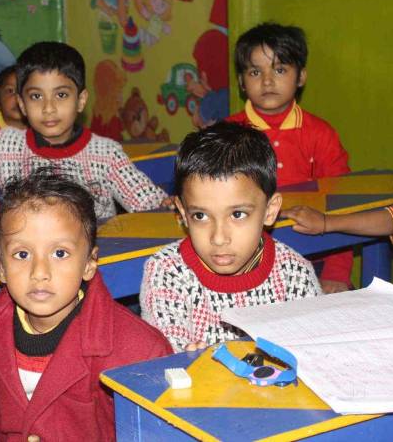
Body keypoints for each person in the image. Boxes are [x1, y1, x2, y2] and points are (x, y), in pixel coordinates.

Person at [0, 171, 171, 441]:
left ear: (89, 263)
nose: (39, 272)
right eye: (22, 254)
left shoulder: (137, 349)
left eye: (60, 253)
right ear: (1, 268)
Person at [140, 122, 321, 352]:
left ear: (270, 210)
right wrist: (181, 359)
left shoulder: (294, 273)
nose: (218, 238)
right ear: (183, 213)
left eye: (237, 214)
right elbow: (167, 354)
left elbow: (315, 348)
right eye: (200, 216)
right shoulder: (167, 272)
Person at [0, 41, 166, 219]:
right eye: (36, 96)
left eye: (61, 95)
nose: (48, 108)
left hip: (92, 247)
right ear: (22, 104)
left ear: (80, 100)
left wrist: (167, 205)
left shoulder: (106, 154)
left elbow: (148, 201)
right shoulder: (6, 147)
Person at [227, 22, 352, 293]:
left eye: (280, 69)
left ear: (301, 77)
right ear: (241, 82)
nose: (267, 81)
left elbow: (343, 206)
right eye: (255, 72)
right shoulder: (226, 135)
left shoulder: (321, 134)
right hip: (242, 262)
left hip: (314, 259)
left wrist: (337, 272)